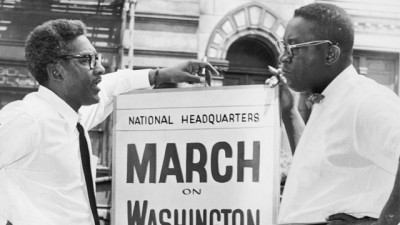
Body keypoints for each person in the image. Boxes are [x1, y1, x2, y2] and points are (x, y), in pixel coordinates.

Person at [0, 19, 218, 225]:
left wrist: (159, 75)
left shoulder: (76, 117)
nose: (100, 68)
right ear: (56, 71)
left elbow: (114, 84)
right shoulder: (26, 119)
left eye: (98, 58)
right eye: (87, 60)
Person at [276, 3, 400, 225]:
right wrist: (289, 113)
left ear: (330, 54)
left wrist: (386, 222)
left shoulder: (367, 100)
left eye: (294, 48)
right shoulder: (329, 99)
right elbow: (315, 172)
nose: (283, 58)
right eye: (283, 47)